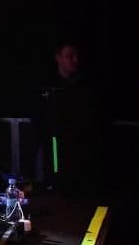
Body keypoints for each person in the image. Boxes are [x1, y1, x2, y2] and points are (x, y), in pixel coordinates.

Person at [35, 39, 105, 197]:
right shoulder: (47, 87)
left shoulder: (86, 87)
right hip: (55, 151)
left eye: (76, 56)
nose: (75, 60)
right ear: (58, 58)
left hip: (82, 153)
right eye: (69, 56)